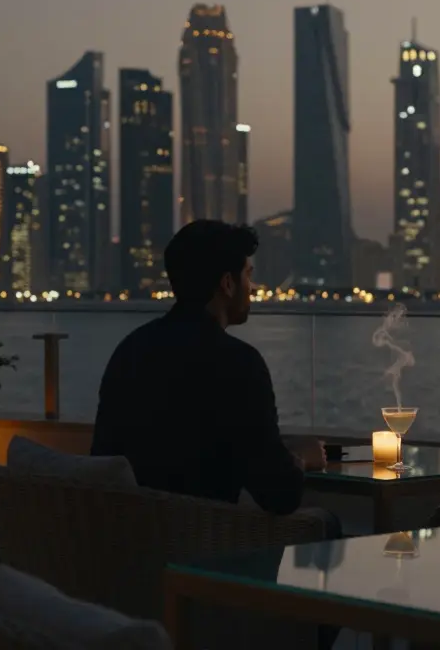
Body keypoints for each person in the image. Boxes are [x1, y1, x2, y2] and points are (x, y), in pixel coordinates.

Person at [91, 220, 326, 515]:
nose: (251, 288)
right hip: (212, 548)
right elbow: (280, 494)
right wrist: (301, 457)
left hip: (131, 540)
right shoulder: (240, 364)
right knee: (326, 521)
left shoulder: (130, 351)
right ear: (228, 283)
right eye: (248, 276)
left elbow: (102, 458)